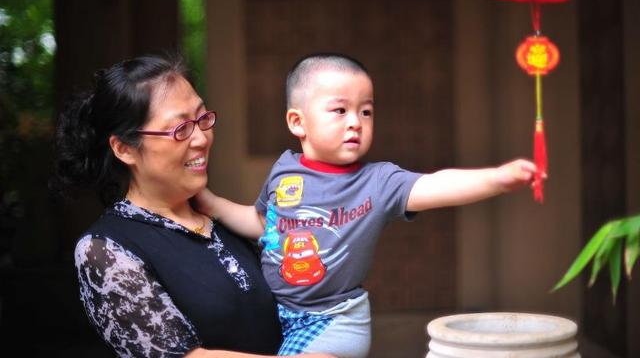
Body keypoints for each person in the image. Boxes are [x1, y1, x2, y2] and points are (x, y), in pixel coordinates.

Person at [196, 52, 542, 358]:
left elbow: (436, 184)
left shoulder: (378, 182)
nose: (355, 123)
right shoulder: (285, 170)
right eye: (340, 110)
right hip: (277, 313)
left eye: (366, 111)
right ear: (297, 122)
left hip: (335, 320)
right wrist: (212, 203)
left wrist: (498, 178)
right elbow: (263, 224)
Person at [52, 54, 334, 358]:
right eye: (181, 128)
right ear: (125, 148)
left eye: (202, 119)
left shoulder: (222, 217)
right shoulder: (104, 248)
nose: (201, 138)